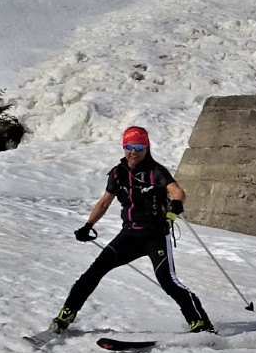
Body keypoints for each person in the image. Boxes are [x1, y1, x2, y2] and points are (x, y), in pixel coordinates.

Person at [48, 126, 214, 335]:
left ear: (146, 148)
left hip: (155, 236)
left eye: (139, 147)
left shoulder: (156, 171)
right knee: (93, 273)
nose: (133, 152)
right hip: (129, 236)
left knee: (167, 280)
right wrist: (88, 226)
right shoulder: (118, 174)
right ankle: (66, 315)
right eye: (129, 146)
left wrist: (175, 208)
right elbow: (104, 203)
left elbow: (178, 192)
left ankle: (199, 323)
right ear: (123, 147)